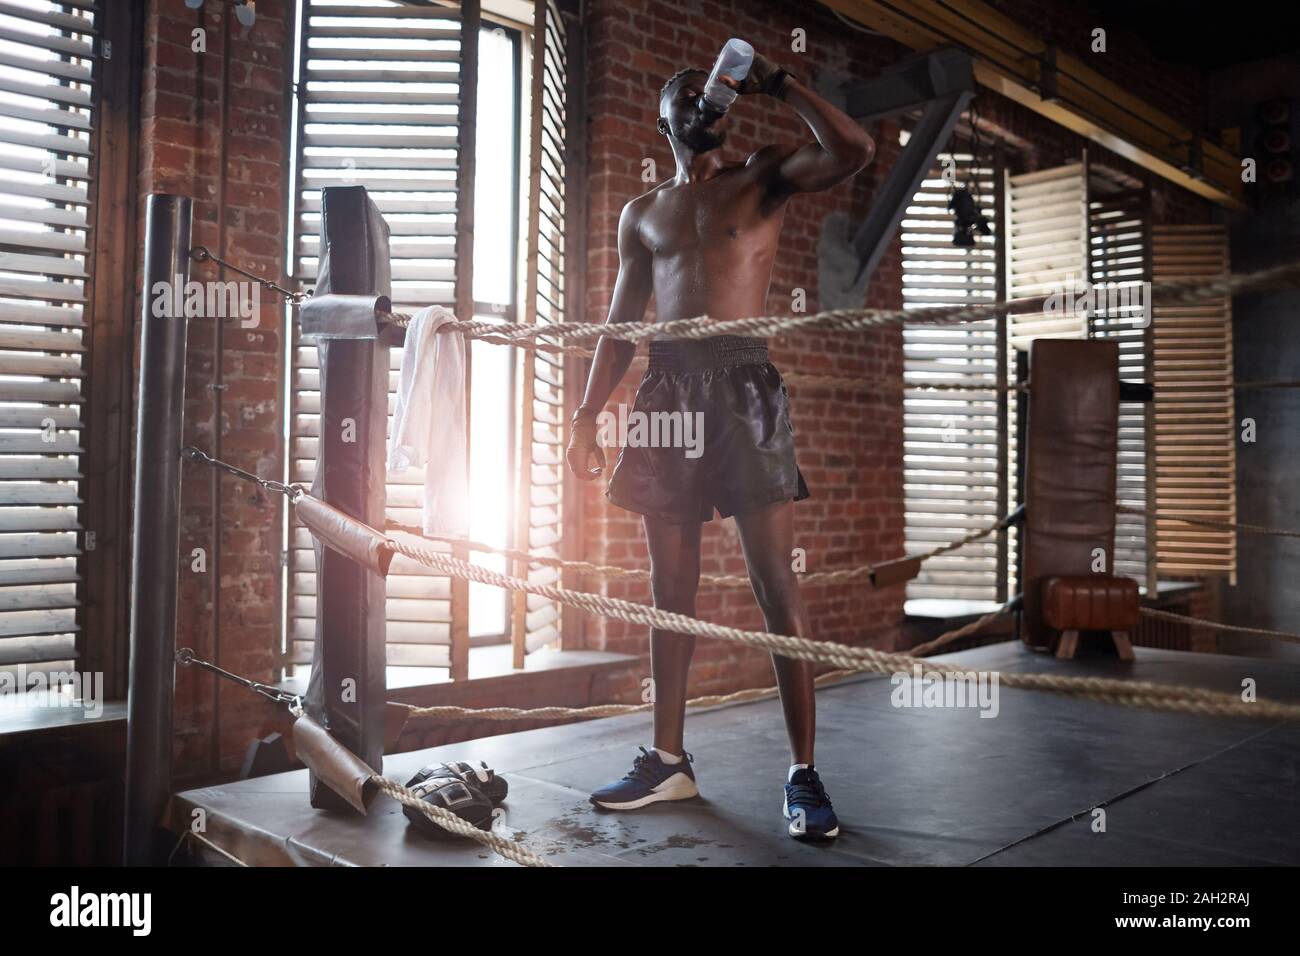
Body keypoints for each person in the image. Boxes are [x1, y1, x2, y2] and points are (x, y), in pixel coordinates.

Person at [566, 49, 873, 840]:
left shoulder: (763, 176)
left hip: (744, 387)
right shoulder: (643, 213)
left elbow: (854, 150)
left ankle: (804, 775)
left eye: (708, 95)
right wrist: (585, 416)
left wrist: (781, 83)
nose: (699, 103)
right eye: (681, 96)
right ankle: (668, 761)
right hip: (665, 393)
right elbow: (622, 325)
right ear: (664, 119)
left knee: (776, 586)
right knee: (671, 586)